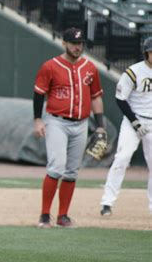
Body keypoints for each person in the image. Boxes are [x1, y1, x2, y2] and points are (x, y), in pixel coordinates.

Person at [33, 27, 105, 228]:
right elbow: (39, 94)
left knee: (72, 171)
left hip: (81, 124)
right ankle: (45, 215)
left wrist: (100, 126)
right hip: (57, 121)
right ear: (64, 43)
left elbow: (96, 97)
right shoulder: (50, 66)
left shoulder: (90, 68)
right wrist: (38, 120)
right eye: (74, 43)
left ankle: (63, 216)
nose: (78, 46)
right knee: (56, 166)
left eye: (80, 43)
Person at [100, 37, 152, 216]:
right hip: (133, 120)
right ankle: (107, 202)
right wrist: (135, 121)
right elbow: (120, 99)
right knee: (122, 158)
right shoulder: (134, 71)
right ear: (145, 53)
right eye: (151, 52)